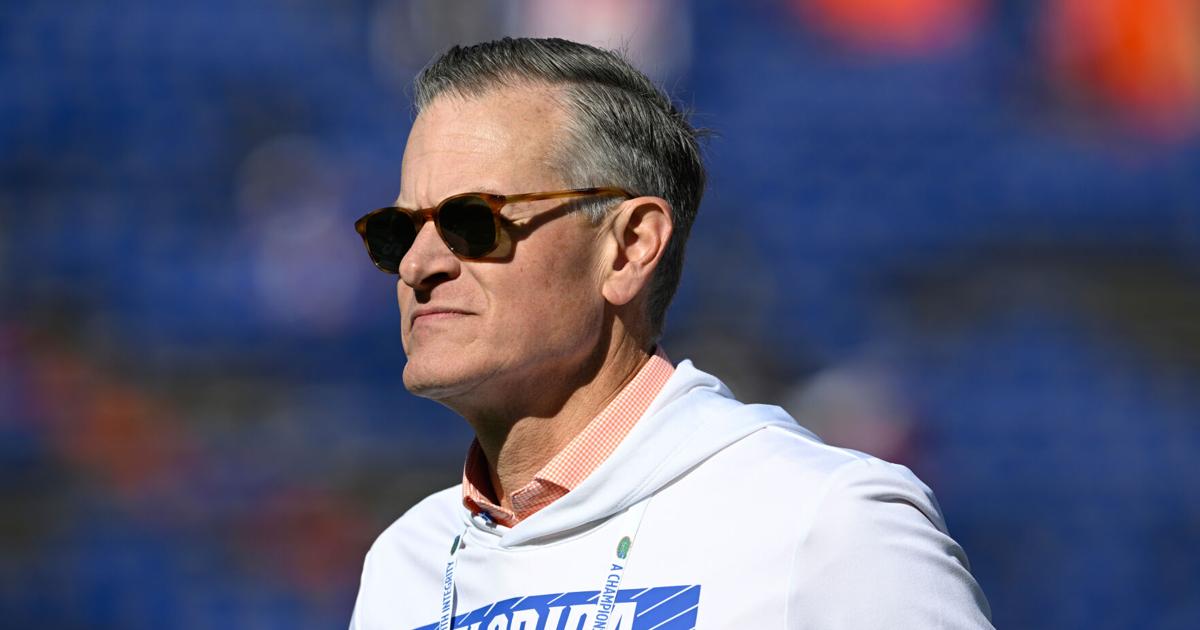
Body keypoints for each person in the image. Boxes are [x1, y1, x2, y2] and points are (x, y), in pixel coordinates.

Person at [349, 37, 993, 630]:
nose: (417, 265)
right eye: (397, 231)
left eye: (471, 221)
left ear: (629, 248)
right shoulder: (405, 562)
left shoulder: (824, 522)